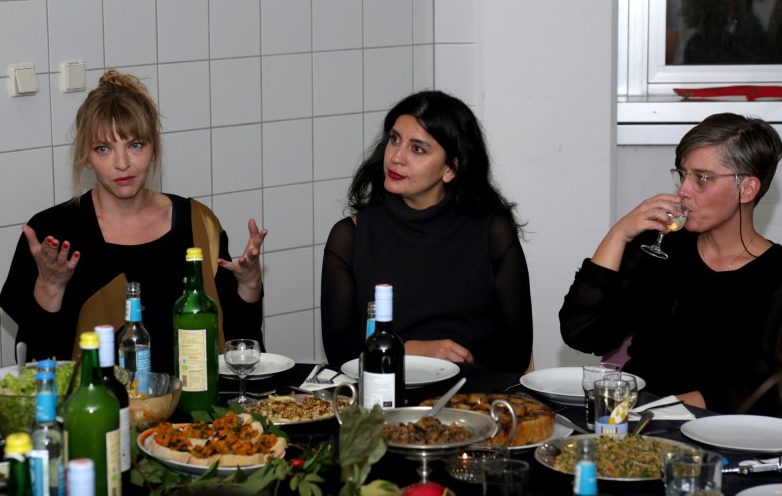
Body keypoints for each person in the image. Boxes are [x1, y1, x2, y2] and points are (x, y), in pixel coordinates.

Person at [0, 70, 267, 373]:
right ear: (86, 157)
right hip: (94, 403)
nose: (122, 163)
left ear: (154, 148)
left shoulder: (198, 225)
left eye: (135, 145)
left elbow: (239, 349)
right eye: (103, 149)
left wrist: (249, 285)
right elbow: (36, 368)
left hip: (194, 401)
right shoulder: (53, 236)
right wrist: (50, 287)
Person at [560, 112, 782, 415]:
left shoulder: (775, 276)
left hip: (717, 427)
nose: (683, 191)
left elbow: (766, 392)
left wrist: (661, 410)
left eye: (701, 178)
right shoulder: (661, 249)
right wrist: (619, 234)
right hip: (637, 416)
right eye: (682, 174)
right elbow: (582, 332)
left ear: (747, 189)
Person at [320, 90, 532, 373]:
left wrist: (459, 366)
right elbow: (338, 353)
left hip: (472, 393)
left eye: (417, 149)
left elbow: (516, 352)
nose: (396, 157)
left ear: (451, 168)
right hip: (384, 392)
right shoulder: (350, 236)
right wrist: (408, 351)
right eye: (395, 139)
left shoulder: (492, 232)